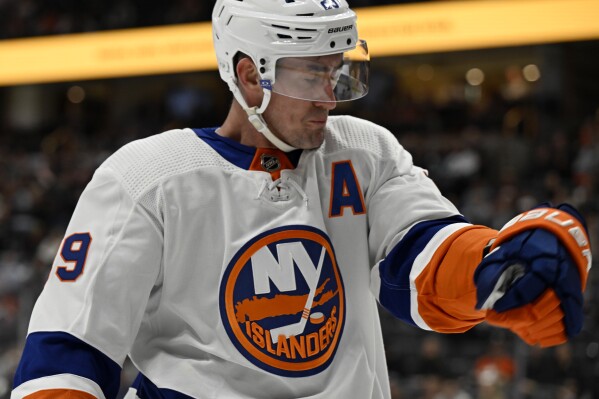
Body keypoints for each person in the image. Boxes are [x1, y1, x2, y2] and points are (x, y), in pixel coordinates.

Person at [11, 1, 592, 398]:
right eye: (312, 76)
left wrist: (496, 272)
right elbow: (69, 348)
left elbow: (418, 257)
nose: (330, 98)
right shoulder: (147, 179)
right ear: (247, 75)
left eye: (338, 74)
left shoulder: (363, 152)